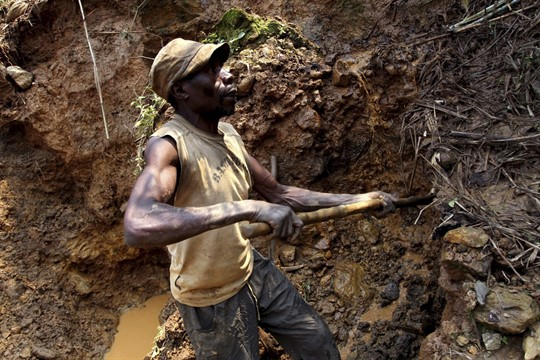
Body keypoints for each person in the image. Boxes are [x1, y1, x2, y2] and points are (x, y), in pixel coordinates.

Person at [123, 38, 395, 360]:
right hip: (210, 297)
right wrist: (250, 208)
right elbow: (138, 224)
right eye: (211, 71)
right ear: (181, 90)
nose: (227, 75)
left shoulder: (229, 136)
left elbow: (280, 194)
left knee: (317, 342)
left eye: (221, 66)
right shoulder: (170, 146)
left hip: (252, 271)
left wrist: (361, 198)